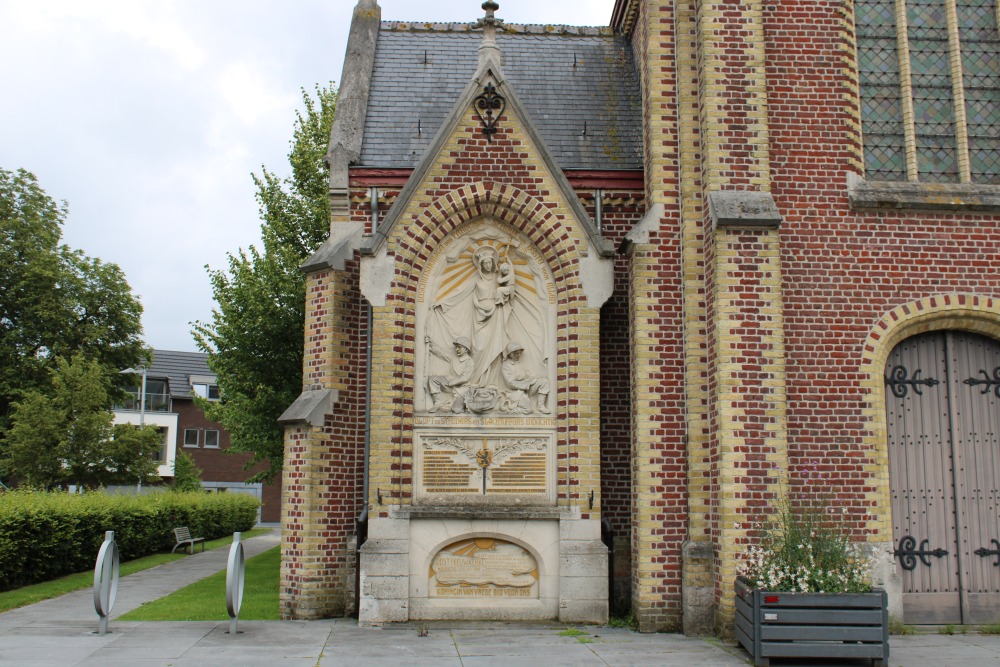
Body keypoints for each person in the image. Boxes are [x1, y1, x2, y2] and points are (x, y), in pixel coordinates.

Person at [426, 336, 474, 412]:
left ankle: (454, 404)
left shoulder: (469, 362)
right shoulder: (454, 358)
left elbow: (465, 378)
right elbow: (442, 354)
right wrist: (432, 346)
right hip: (449, 381)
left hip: (461, 388)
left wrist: (453, 382)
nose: (457, 349)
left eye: (459, 347)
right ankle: (437, 403)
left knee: (457, 410)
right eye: (456, 347)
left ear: (466, 349)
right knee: (433, 379)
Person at [501, 341, 550, 414]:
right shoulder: (506, 366)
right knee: (528, 410)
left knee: (544, 381)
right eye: (516, 353)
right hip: (516, 392)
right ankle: (509, 409)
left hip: (527, 388)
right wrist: (525, 382)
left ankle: (540, 406)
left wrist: (534, 378)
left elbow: (528, 374)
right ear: (510, 354)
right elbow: (510, 383)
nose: (518, 355)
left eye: (519, 353)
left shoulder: (520, 364)